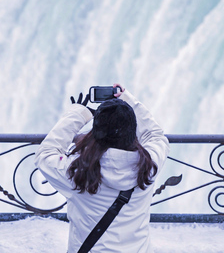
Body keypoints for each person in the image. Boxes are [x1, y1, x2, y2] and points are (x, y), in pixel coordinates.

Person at [35, 84, 170, 253]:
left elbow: (45, 154)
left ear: (95, 133)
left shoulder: (78, 172)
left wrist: (77, 114)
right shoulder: (149, 165)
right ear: (133, 130)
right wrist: (128, 100)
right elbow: (156, 135)